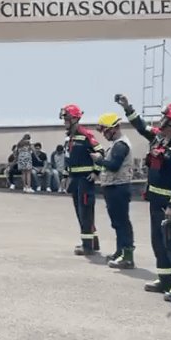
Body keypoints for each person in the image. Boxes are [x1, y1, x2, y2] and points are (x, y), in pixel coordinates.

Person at [115, 94, 171, 302]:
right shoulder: (159, 137)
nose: (161, 120)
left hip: (169, 206)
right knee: (158, 242)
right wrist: (127, 107)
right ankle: (165, 280)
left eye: (165, 118)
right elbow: (141, 127)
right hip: (156, 202)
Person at [92, 112, 135, 269]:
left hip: (119, 187)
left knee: (122, 222)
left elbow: (114, 165)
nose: (104, 134)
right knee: (117, 222)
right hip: (113, 187)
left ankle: (127, 256)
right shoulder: (116, 144)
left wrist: (99, 160)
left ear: (113, 129)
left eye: (105, 131)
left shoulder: (120, 145)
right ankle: (120, 251)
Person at [60, 104, 104, 256]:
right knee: (80, 212)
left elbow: (100, 151)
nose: (64, 121)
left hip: (85, 180)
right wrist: (65, 176)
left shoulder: (85, 134)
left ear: (74, 118)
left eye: (66, 118)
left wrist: (96, 171)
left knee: (85, 211)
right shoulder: (69, 137)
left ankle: (87, 246)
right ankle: (93, 241)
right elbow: (68, 159)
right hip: (74, 180)